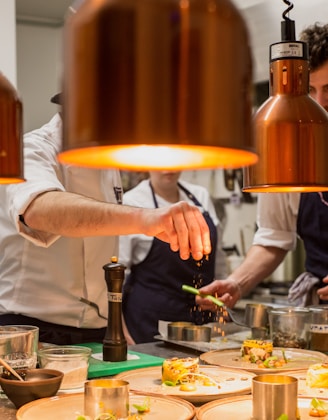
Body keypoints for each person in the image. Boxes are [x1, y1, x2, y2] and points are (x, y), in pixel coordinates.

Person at [0, 100, 211, 345]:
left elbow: (102, 262)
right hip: (30, 331)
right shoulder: (31, 149)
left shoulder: (107, 165)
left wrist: (120, 330)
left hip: (97, 333)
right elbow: (40, 210)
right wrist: (146, 217)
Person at [197, 22, 328, 311]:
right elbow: (273, 238)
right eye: (309, 91)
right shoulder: (288, 151)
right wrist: (237, 283)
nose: (319, 103)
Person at [119, 171, 227, 344]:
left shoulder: (201, 196)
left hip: (203, 322)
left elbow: (219, 257)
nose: (167, 169)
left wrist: (221, 295)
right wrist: (122, 334)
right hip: (151, 324)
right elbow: (117, 279)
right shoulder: (132, 202)